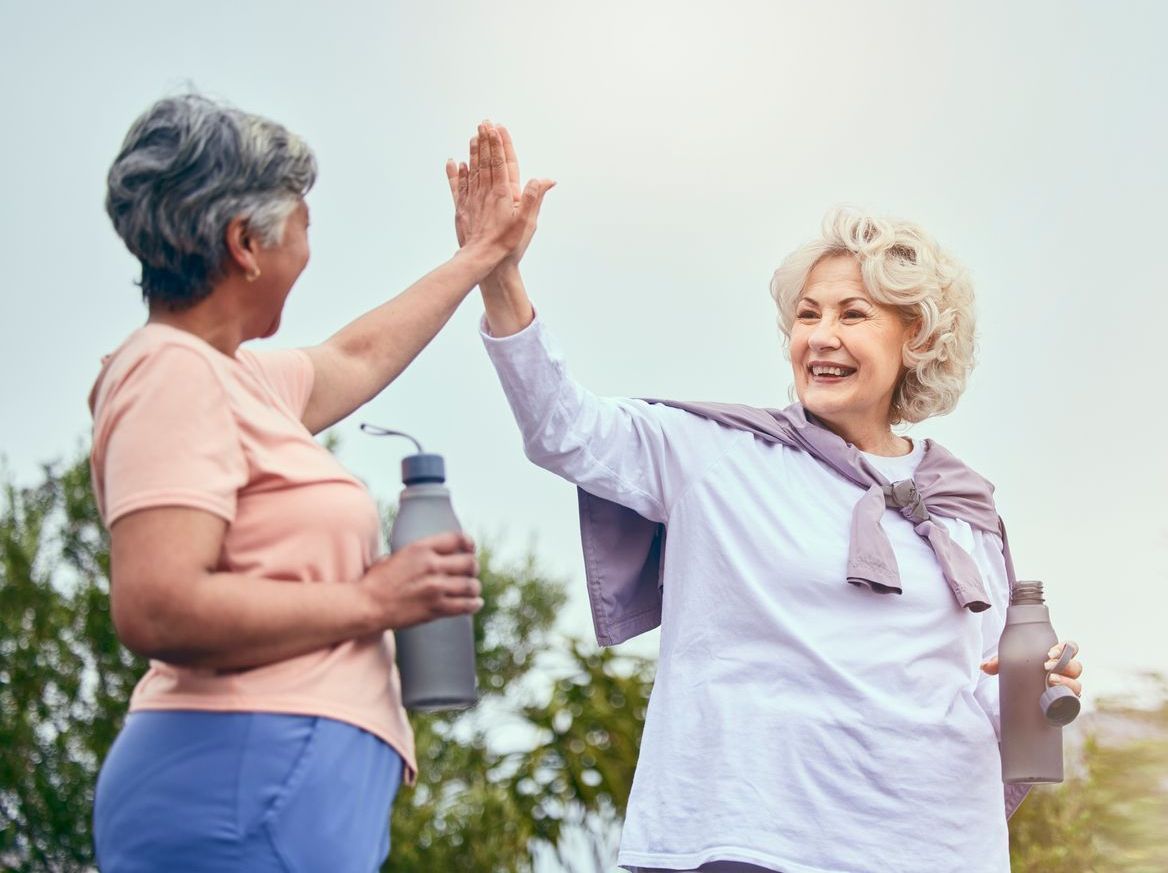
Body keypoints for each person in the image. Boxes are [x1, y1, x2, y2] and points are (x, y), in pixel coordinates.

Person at [450, 123, 1085, 873]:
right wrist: (496, 272)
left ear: (913, 335)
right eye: (808, 315)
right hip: (749, 838)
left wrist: (1043, 692)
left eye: (853, 315)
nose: (821, 336)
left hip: (932, 845)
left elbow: (988, 711)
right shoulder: (714, 454)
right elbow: (562, 426)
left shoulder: (964, 510)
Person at [89, 96, 552, 871]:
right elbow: (156, 602)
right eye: (303, 226)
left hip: (280, 783)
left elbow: (360, 355)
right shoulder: (169, 371)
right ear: (245, 242)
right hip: (239, 777)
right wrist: (376, 599)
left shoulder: (230, 377)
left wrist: (482, 256)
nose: (309, 248)